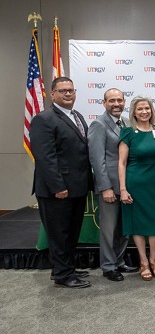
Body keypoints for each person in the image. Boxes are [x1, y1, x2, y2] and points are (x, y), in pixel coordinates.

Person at [31, 77, 93, 288]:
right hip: (57, 190)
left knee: (71, 232)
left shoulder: (77, 116)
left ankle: (64, 268)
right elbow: (45, 158)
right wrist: (58, 187)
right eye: (63, 91)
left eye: (71, 90)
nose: (68, 94)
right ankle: (63, 275)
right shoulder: (44, 119)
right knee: (59, 234)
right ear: (53, 94)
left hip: (77, 187)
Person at [88, 88, 138, 282]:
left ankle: (119, 261)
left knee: (123, 228)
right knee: (109, 230)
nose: (116, 104)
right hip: (109, 186)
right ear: (104, 103)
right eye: (111, 101)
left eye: (119, 100)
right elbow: (96, 159)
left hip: (126, 184)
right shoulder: (99, 124)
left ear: (124, 102)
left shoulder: (127, 122)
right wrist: (105, 187)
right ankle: (108, 266)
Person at [118, 96, 155, 281]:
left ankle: (154, 260)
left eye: (147, 108)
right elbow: (121, 163)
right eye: (140, 109)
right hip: (135, 183)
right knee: (137, 224)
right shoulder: (128, 132)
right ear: (134, 112)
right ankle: (143, 261)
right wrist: (123, 189)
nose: (144, 111)